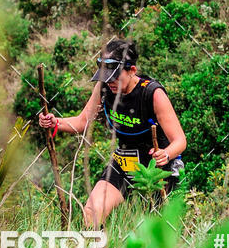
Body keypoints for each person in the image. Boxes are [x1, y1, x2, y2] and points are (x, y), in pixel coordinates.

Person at [38, 39, 187, 227]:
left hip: (156, 167)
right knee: (92, 212)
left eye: (115, 77)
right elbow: (82, 121)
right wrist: (55, 122)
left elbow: (180, 140)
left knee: (158, 227)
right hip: (124, 160)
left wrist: (165, 154)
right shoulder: (104, 88)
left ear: (132, 70)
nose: (110, 83)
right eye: (106, 77)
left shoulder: (152, 93)